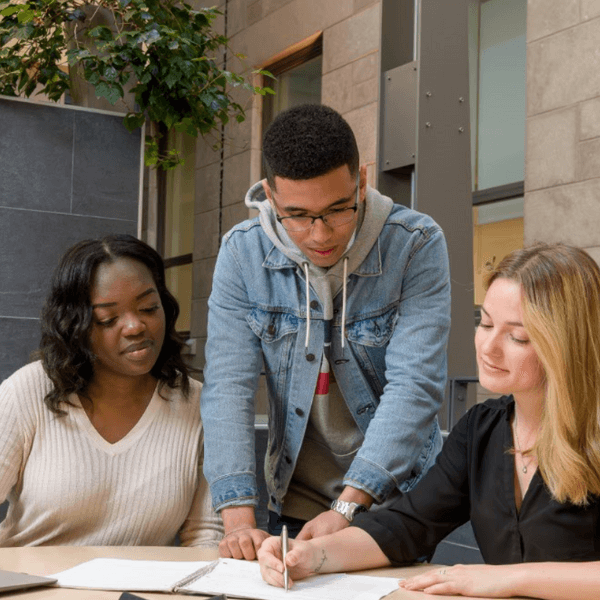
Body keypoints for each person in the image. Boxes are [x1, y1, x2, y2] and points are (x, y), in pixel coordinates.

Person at [257, 242, 600, 600]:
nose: (488, 347)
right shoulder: (483, 428)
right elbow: (409, 524)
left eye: (518, 337)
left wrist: (510, 579)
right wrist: (311, 556)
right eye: (485, 323)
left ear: (567, 343)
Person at [202, 104, 451, 560]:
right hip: (294, 498)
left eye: (338, 209)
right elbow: (227, 387)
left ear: (363, 181)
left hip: (395, 497)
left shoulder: (415, 244)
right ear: (270, 199)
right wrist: (238, 518)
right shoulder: (241, 253)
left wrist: (348, 506)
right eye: (296, 215)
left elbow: (415, 385)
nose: (319, 235)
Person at [0, 234, 223, 547]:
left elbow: (205, 535)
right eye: (108, 318)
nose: (134, 327)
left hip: (135, 595)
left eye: (148, 307)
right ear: (75, 325)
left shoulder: (197, 404)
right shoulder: (26, 392)